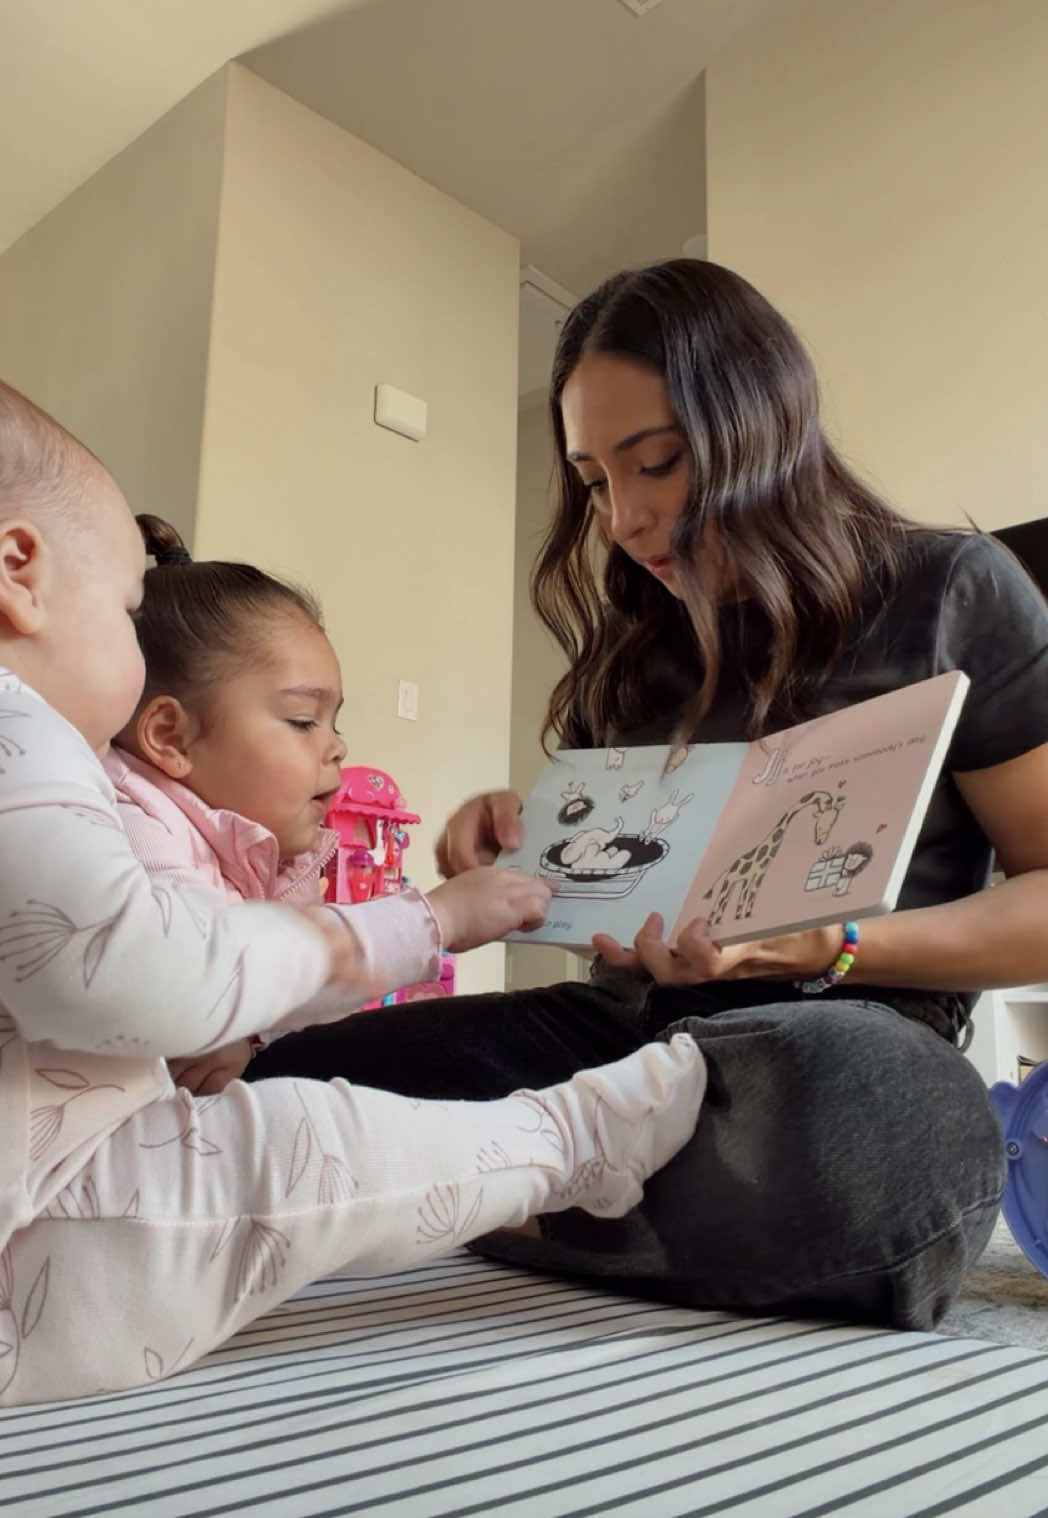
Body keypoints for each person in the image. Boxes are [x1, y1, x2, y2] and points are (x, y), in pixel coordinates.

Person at [250, 258, 1048, 1331]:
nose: (622, 518)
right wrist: (535, 858)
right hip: (623, 1041)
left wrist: (831, 946)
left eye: (657, 463)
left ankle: (477, 1197)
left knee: (888, 1138)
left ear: (761, 430)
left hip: (835, 1039)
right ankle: (557, 1197)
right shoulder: (631, 659)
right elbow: (616, 929)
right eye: (592, 480)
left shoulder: (952, 590)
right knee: (292, 1079)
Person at [0, 379, 705, 1405]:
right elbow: (127, 964)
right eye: (121, 610)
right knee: (299, 1145)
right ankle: (570, 1142)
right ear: (17, 571)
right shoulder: (24, 729)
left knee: (294, 1130)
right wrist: (415, 927)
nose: (335, 749)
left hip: (49, 1224)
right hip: (47, 1241)